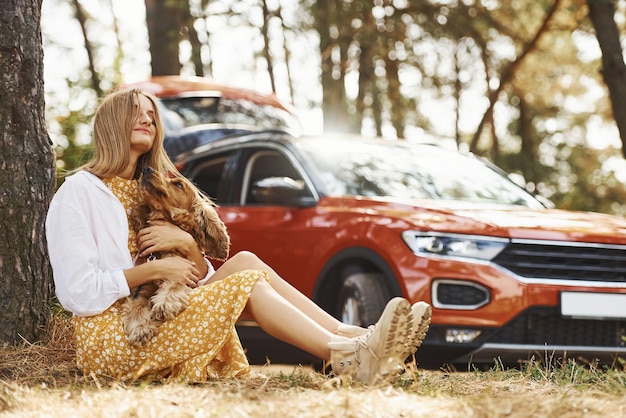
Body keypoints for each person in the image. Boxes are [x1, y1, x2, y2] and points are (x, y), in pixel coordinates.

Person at [45, 87, 432, 384]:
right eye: (136, 113)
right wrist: (153, 270)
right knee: (245, 282)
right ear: (111, 122)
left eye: (152, 115)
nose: (148, 120)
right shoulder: (80, 192)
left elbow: (200, 282)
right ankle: (347, 358)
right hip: (117, 337)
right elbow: (76, 292)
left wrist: (187, 247)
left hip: (164, 316)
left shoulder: (157, 191)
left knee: (245, 263)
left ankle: (362, 339)